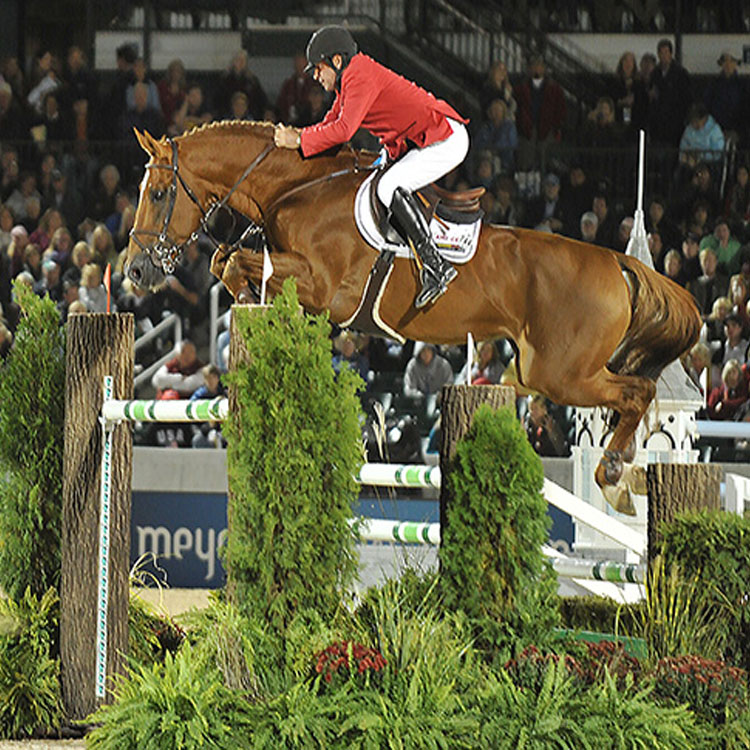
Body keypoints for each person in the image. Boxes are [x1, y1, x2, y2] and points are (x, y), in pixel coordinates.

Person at [274, 25, 469, 309]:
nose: (316, 76)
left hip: (444, 139)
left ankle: (436, 266)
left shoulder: (360, 76)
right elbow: (330, 122)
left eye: (318, 68)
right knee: (379, 180)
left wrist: (300, 138)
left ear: (337, 61)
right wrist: (300, 141)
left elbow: (343, 131)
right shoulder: (349, 80)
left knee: (390, 186)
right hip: (420, 141)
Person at [514, 54, 566, 171]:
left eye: (539, 66)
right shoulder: (521, 88)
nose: (536, 69)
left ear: (544, 68)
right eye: (533, 66)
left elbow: (561, 109)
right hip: (527, 130)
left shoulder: (554, 89)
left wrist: (556, 126)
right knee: (526, 163)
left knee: (546, 163)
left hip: (547, 130)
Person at [647, 38, 692, 148]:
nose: (663, 56)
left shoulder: (681, 74)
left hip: (674, 122)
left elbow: (687, 98)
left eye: (666, 52)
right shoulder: (655, 73)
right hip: (658, 123)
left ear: (671, 54)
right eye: (661, 53)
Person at [704, 50, 746, 145]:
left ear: (735, 64)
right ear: (721, 64)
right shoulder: (713, 84)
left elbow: (745, 109)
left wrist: (739, 131)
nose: (728, 64)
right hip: (715, 130)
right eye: (725, 61)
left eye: (731, 61)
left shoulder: (742, 85)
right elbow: (707, 105)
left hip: (737, 131)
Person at [276, 51, 317, 126]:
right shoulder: (288, 85)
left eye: (303, 65)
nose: (300, 68)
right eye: (298, 64)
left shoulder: (314, 84)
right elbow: (281, 104)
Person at [688, 247, 728, 317]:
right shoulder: (694, 285)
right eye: (704, 261)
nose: (707, 264)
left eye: (710, 260)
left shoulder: (724, 282)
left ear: (716, 262)